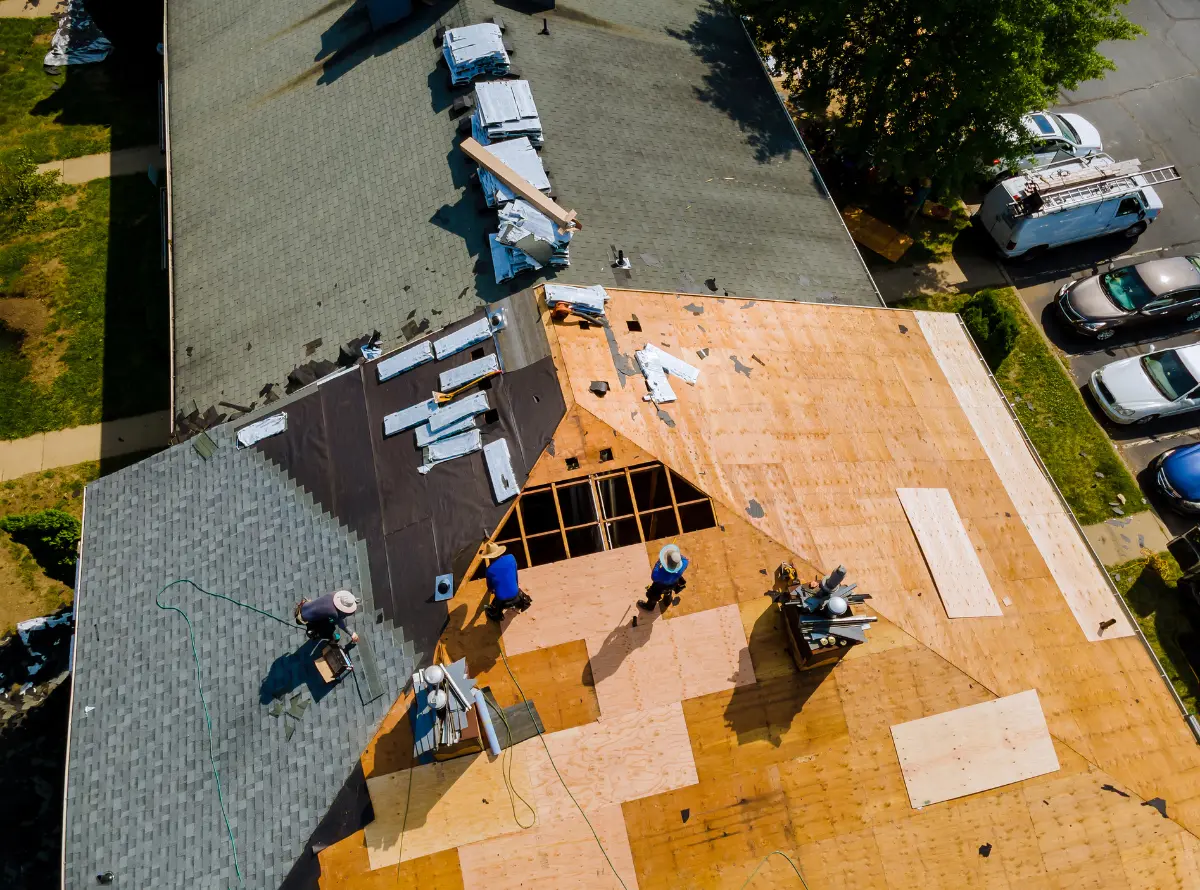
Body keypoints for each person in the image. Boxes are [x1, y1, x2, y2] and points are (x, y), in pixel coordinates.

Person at [482, 541, 531, 622]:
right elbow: (515, 574)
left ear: (489, 557)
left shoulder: (489, 570)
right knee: (516, 590)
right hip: (516, 594)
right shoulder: (511, 558)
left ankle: (497, 615)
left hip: (502, 601)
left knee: (494, 607)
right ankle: (524, 602)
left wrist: (491, 590)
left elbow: (490, 588)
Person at [295, 589, 360, 643]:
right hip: (307, 618)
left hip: (304, 607)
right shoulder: (333, 613)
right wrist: (352, 634)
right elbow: (341, 624)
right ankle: (327, 635)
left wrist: (353, 602)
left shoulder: (334, 594)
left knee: (330, 620)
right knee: (330, 627)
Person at [639, 544, 688, 612]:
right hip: (673, 583)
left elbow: (654, 577)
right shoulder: (684, 564)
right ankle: (667, 602)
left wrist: (658, 563)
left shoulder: (661, 574)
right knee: (668, 592)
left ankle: (649, 606)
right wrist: (675, 555)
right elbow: (684, 559)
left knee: (653, 595)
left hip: (660, 586)